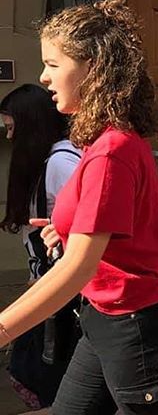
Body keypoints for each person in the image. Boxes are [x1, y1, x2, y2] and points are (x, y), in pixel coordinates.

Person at [0, 0, 158, 414]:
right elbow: (151, 217)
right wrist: (72, 229)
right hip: (108, 319)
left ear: (92, 67)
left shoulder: (111, 149)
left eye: (53, 64)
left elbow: (76, 270)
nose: (43, 77)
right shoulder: (110, 140)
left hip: (140, 329)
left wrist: (1, 329)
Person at [0, 83, 81, 408]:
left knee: (50, 380)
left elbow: (88, 230)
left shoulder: (61, 164)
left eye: (11, 128)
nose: (8, 137)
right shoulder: (54, 160)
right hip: (50, 288)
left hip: (61, 295)